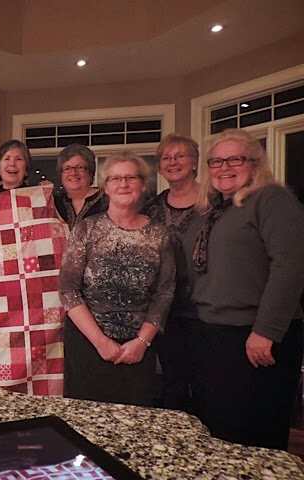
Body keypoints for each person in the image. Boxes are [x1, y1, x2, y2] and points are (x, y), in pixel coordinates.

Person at [183, 128, 304, 450]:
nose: (224, 167)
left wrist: (266, 330)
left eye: (234, 159)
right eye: (216, 161)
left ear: (254, 164)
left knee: (257, 435)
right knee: (220, 428)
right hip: (214, 333)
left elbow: (290, 266)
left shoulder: (272, 199)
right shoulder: (212, 209)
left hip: (255, 336)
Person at [59, 151, 175, 406]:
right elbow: (68, 290)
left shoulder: (159, 235)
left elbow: (164, 293)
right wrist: (100, 341)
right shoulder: (86, 229)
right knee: (86, 419)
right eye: (116, 178)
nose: (123, 184)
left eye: (131, 177)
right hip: (88, 345)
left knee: (135, 421)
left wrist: (142, 342)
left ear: (143, 184)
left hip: (138, 348)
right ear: (105, 186)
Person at [141, 133, 200, 412]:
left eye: (180, 156)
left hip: (205, 305)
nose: (172, 162)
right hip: (165, 306)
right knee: (173, 379)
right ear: (159, 167)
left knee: (207, 380)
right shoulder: (151, 209)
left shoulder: (215, 202)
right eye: (166, 158)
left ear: (195, 162)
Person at [53, 143, 105, 228]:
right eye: (67, 168)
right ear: (61, 175)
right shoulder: (55, 205)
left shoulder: (107, 201)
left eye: (80, 167)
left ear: (90, 172)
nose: (73, 173)